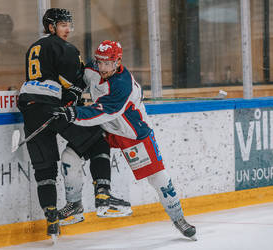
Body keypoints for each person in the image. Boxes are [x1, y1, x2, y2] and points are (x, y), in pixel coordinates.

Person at [50, 40, 197, 240]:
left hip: (132, 134)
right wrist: (74, 92)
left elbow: (101, 112)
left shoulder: (122, 85)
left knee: (158, 178)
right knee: (70, 155)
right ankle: (74, 205)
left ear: (118, 61)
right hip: (105, 130)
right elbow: (84, 78)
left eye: (107, 63)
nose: (101, 67)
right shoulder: (95, 68)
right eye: (99, 61)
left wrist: (72, 113)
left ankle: (179, 219)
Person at [17, 9, 129, 240]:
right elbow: (71, 85)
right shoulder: (66, 49)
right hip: (52, 106)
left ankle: (51, 219)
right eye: (62, 25)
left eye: (70, 25)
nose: (68, 29)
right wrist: (75, 95)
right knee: (97, 140)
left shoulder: (33, 47)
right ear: (51, 27)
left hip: (29, 106)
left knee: (44, 168)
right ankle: (103, 194)